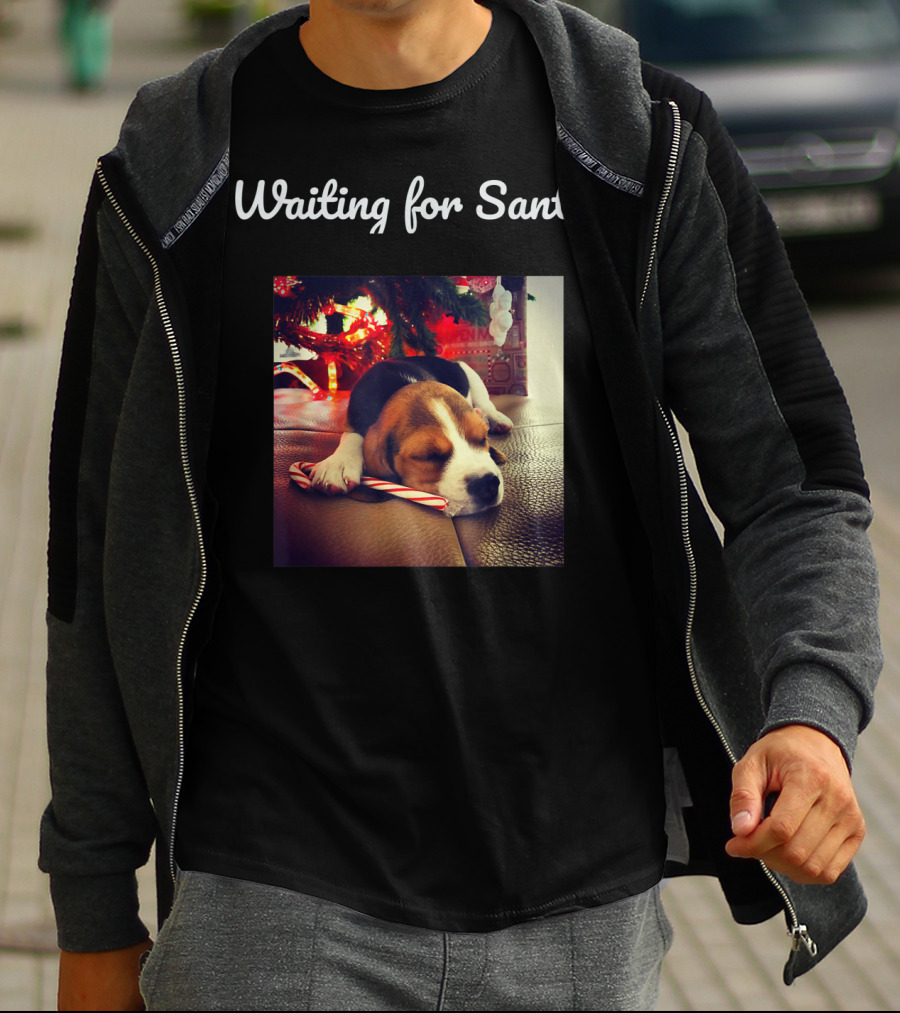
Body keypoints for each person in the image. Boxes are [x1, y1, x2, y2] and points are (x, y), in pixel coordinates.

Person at [42, 0, 881, 1009]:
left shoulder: (633, 138)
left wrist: (813, 715)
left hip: (581, 895)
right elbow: (89, 552)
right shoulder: (177, 164)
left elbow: (797, 479)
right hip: (269, 895)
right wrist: (93, 907)